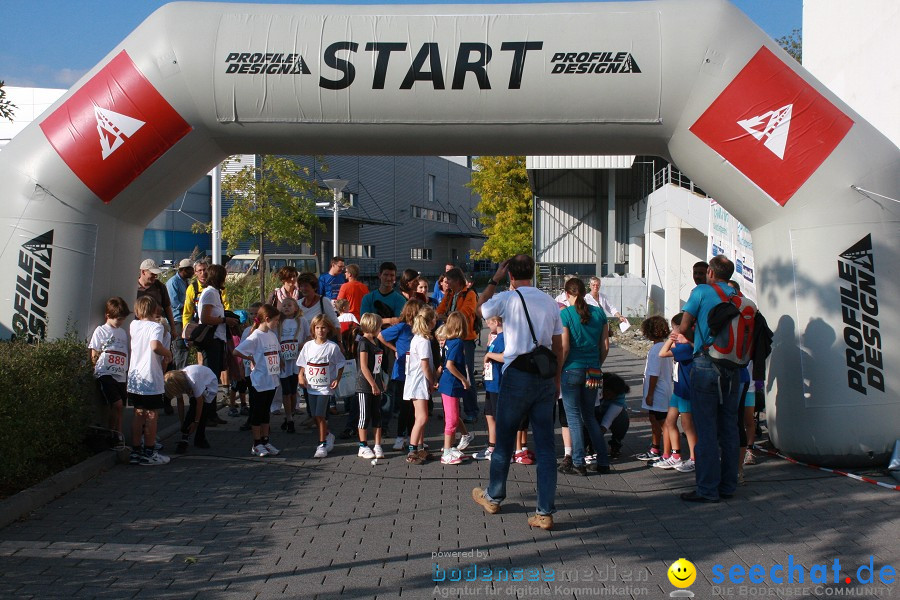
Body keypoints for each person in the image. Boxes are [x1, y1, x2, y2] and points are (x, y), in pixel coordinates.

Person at [471, 255, 563, 531]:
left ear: (510, 275)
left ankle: (494, 496)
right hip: (544, 378)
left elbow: (479, 309)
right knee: (546, 447)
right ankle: (544, 511)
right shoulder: (549, 302)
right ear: (533, 273)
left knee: (504, 440)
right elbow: (557, 346)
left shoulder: (507, 299)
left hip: (516, 375)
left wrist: (493, 279)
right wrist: (556, 379)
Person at [677, 255, 743, 503]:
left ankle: (707, 489)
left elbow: (683, 327)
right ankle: (728, 486)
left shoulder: (702, 292)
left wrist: (694, 339)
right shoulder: (737, 296)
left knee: (705, 429)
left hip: (706, 363)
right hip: (733, 366)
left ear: (711, 273)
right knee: (728, 428)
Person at [557, 277, 610, 476]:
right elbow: (605, 346)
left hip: (572, 368)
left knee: (573, 417)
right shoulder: (599, 313)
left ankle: (578, 462)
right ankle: (603, 461)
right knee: (589, 416)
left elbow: (565, 347)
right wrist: (597, 364)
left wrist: (558, 369)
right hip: (593, 370)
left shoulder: (566, 314)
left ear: (567, 294)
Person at [127, 296, 173, 466]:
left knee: (138, 414)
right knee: (152, 414)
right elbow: (155, 346)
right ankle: (150, 451)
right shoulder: (156, 327)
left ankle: (135, 450)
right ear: (155, 310)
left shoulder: (134, 325)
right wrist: (167, 353)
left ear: (138, 311)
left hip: (134, 377)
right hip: (150, 376)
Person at [233, 304, 282, 457]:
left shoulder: (272, 335)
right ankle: (256, 443)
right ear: (266, 319)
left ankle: (265, 441)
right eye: (275, 320)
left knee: (266, 412)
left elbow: (276, 353)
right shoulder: (255, 336)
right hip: (259, 380)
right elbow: (236, 351)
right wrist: (251, 358)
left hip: (272, 379)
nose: (277, 323)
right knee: (257, 413)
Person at [297, 314, 345, 458]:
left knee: (319, 414)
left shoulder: (332, 347)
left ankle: (322, 444)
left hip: (325, 387)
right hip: (311, 386)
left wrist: (337, 378)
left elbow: (341, 363)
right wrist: (300, 376)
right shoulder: (308, 346)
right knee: (315, 416)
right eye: (317, 328)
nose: (320, 331)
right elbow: (302, 363)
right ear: (313, 329)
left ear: (328, 329)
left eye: (323, 327)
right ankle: (328, 434)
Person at [378, 298, 424, 447]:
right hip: (403, 372)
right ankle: (400, 437)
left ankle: (412, 437)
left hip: (415, 371)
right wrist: (395, 349)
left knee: (413, 407)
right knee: (405, 406)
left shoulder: (419, 330)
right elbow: (381, 336)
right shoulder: (402, 327)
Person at [436, 267, 479, 423]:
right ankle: (453, 411)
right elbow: (439, 310)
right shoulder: (450, 295)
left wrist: (445, 316)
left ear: (458, 281)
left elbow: (464, 313)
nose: (446, 284)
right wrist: (440, 315)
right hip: (451, 337)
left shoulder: (470, 294)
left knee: (466, 374)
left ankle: (471, 411)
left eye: (449, 281)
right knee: (450, 372)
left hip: (466, 338)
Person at [657, 314, 698, 473]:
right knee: (670, 421)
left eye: (675, 328)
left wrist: (671, 339)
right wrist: (675, 338)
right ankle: (675, 455)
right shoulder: (685, 345)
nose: (673, 331)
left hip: (686, 390)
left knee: (688, 425)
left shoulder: (686, 347)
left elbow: (662, 353)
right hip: (679, 389)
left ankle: (695, 458)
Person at [89, 297, 131, 436]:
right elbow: (94, 351)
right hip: (105, 373)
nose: (120, 322)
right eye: (118, 319)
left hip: (120, 374)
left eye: (122, 319)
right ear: (108, 316)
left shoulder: (123, 332)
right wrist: (94, 367)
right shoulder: (101, 331)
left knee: (119, 407)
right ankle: (114, 433)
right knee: (117, 404)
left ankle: (114, 433)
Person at [437, 312, 474, 465]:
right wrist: (464, 379)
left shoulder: (448, 341)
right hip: (452, 383)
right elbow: (450, 365)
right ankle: (446, 452)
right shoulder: (458, 342)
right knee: (452, 419)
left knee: (452, 415)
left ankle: (450, 448)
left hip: (447, 383)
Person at [636, 316, 673, 464]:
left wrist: (650, 394)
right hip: (665, 388)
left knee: (663, 422)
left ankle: (667, 452)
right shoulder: (665, 347)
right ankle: (656, 448)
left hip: (657, 392)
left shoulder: (655, 350)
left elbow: (653, 374)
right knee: (655, 420)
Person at [404, 307, 437, 465]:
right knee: (422, 417)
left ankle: (420, 447)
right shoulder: (423, 341)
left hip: (416, 381)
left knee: (420, 416)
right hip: (419, 382)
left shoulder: (418, 338)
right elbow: (425, 366)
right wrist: (432, 381)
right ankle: (412, 451)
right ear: (430, 322)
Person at [166, 364, 219, 454]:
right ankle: (196, 437)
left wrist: (195, 422)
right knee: (194, 407)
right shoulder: (177, 380)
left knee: (202, 410)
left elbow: (200, 402)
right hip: (199, 381)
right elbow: (180, 402)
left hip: (209, 383)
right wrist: (182, 422)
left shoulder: (193, 379)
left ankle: (190, 437)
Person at [198, 264, 238, 381]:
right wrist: (225, 320)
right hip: (212, 339)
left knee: (215, 371)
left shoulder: (214, 292)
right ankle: (207, 398)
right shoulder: (210, 293)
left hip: (218, 338)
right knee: (211, 373)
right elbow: (205, 318)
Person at [355, 313, 385, 459]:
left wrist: (379, 380)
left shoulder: (375, 342)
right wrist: (372, 384)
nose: (381, 328)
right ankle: (363, 445)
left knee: (377, 414)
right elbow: (363, 366)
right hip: (365, 385)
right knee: (364, 415)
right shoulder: (363, 343)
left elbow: (377, 365)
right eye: (379, 325)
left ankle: (378, 445)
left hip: (376, 382)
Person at [474, 315, 503, 461]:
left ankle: (502, 448)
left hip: (498, 383)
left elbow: (505, 356)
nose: (487, 325)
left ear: (497, 322)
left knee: (499, 416)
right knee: (489, 414)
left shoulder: (504, 337)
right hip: (491, 382)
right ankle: (492, 445)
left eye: (489, 323)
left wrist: (489, 355)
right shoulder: (495, 337)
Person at [277, 297, 308, 433]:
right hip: (283, 360)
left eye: (289, 305)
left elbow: (309, 336)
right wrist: (279, 357)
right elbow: (274, 339)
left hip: (296, 361)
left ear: (296, 308)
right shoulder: (278, 323)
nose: (286, 307)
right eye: (284, 305)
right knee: (286, 390)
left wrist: (299, 346)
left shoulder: (302, 321)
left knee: (293, 389)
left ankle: (292, 412)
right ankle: (289, 418)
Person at [166, 259, 194, 369]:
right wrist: (188, 308)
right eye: (190, 269)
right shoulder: (173, 282)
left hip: (186, 319)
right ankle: (178, 377)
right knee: (180, 348)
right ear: (183, 270)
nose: (192, 272)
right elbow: (173, 303)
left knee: (185, 349)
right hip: (177, 319)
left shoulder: (185, 282)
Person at [361, 261, 407, 327]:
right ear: (379, 275)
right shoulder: (368, 298)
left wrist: (374, 321)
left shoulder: (401, 300)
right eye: (385, 275)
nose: (388, 278)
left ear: (395, 277)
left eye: (392, 275)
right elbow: (364, 321)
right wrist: (389, 320)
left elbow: (398, 322)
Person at [136, 259, 175, 335]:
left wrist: (173, 328)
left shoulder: (160, 286)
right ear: (143, 272)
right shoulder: (133, 287)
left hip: (157, 327)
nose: (155, 276)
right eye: (152, 274)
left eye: (156, 274)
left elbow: (167, 307)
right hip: (139, 329)